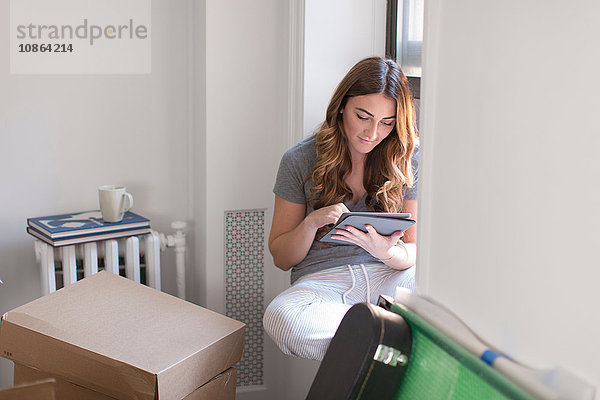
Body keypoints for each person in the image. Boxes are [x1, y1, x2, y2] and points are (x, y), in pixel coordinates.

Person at [263, 56, 419, 361]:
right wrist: (311, 223)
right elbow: (282, 258)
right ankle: (391, 341)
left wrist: (386, 251)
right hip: (323, 286)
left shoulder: (406, 158)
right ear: (342, 106)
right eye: (363, 116)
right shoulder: (299, 160)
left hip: (390, 276)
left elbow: (414, 249)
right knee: (282, 319)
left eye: (387, 123)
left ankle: (373, 341)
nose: (372, 133)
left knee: (445, 290)